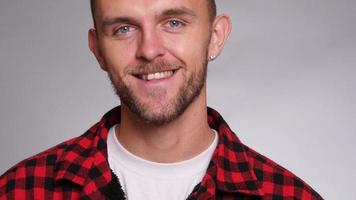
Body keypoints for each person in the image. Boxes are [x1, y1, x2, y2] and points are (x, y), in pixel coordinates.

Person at [0, 0, 323, 199]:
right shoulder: (20, 191)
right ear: (98, 49)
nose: (149, 49)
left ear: (215, 36)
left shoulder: (289, 196)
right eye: (124, 28)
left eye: (173, 22)